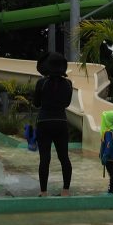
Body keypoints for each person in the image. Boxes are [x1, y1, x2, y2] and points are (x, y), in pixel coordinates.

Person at [33, 51, 73, 196]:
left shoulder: (41, 83)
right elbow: (67, 103)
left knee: (45, 158)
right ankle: (65, 191)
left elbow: (36, 104)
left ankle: (43, 192)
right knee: (64, 157)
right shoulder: (68, 84)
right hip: (61, 121)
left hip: (44, 121)